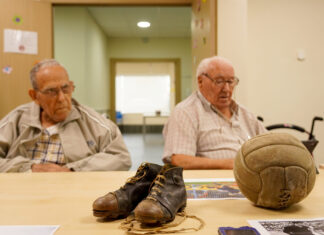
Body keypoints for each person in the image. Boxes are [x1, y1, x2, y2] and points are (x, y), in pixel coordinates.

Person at [0, 59, 131, 172]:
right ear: (35, 96)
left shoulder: (94, 122)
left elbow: (121, 158)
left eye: (65, 88)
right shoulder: (16, 119)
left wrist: (72, 170)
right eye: (51, 91)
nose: (62, 98)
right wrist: (29, 168)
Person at [162, 56, 266, 169]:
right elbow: (180, 160)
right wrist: (231, 164)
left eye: (231, 81)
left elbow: (271, 144)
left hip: (254, 176)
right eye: (219, 81)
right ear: (200, 81)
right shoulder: (186, 112)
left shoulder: (244, 113)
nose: (226, 89)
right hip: (217, 181)